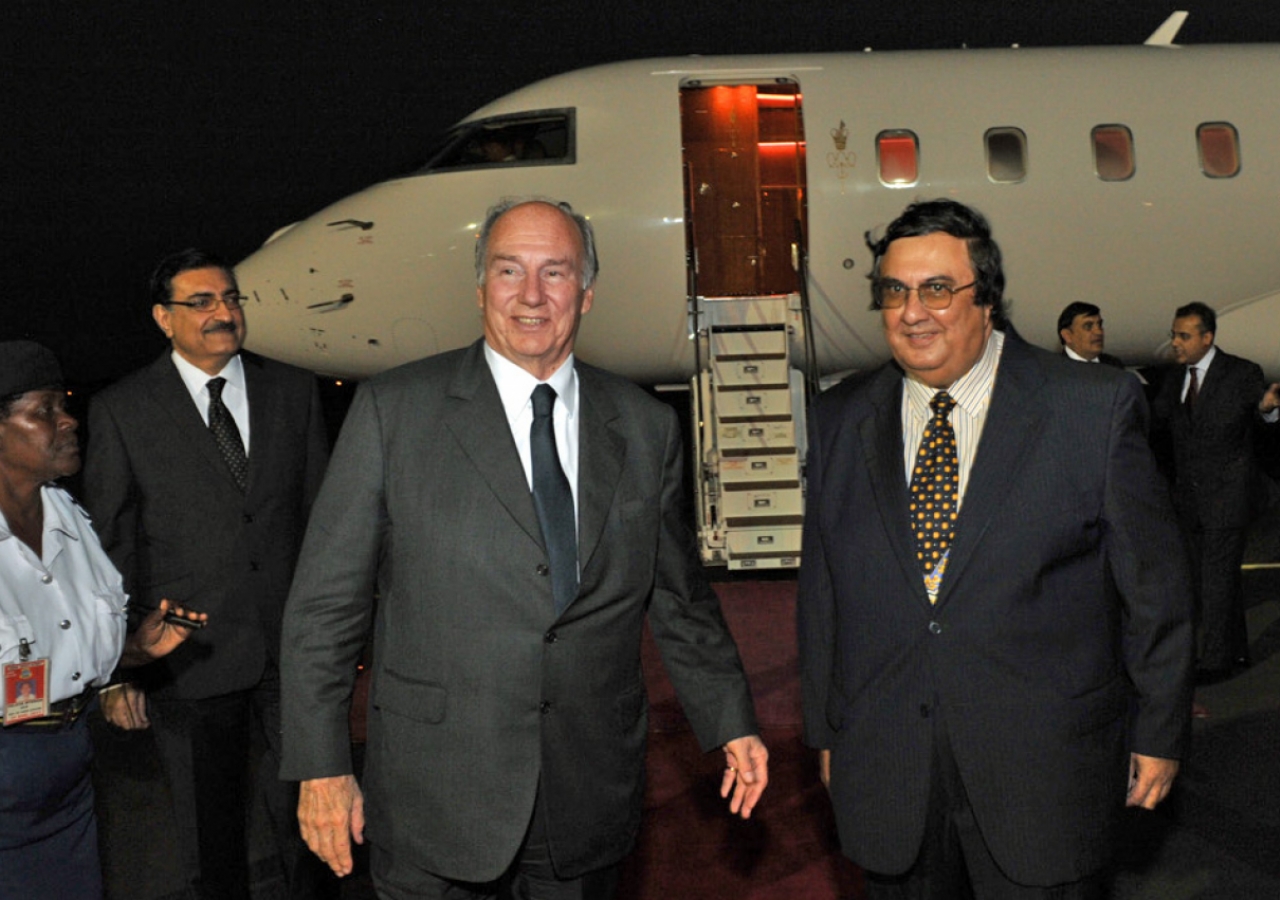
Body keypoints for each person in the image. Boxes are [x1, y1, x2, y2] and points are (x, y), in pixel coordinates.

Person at [280, 197, 769, 899]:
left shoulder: (643, 427)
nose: (532, 296)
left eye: (556, 273)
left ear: (588, 293)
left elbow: (679, 599)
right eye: (510, 271)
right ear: (481, 289)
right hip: (437, 798)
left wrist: (730, 721)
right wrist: (321, 767)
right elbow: (324, 609)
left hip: (587, 791)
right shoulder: (395, 412)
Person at [797, 199, 1194, 898]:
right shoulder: (841, 418)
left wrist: (1158, 731)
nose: (912, 312)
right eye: (894, 292)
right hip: (890, 769)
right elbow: (824, 590)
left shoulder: (1090, 408)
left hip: (1044, 770)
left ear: (987, 299)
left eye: (937, 290)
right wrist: (829, 732)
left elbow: (1153, 590)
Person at [81, 250, 332, 899]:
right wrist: (121, 665)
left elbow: (323, 522)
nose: (223, 313)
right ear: (164, 318)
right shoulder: (123, 409)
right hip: (189, 657)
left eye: (230, 299)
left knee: (316, 827)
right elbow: (113, 544)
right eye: (202, 303)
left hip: (292, 654)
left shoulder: (294, 391)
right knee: (212, 839)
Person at [0, 340, 206, 899]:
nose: (67, 419)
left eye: (62, 403)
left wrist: (132, 653)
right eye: (42, 411)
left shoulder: (69, 518)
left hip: (68, 777)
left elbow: (69, 651)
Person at [1151, 302, 1280, 684]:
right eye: (1174, 334)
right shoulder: (1175, 380)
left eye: (1184, 336)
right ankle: (1236, 651)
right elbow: (1157, 420)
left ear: (1207, 338)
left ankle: (1215, 662)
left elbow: (1263, 412)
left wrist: (1269, 409)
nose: (1176, 342)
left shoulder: (1240, 373)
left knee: (1216, 581)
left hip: (1228, 498)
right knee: (1212, 581)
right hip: (1189, 501)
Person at [1057, 301, 1124, 366]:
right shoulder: (1053, 370)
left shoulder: (1114, 365)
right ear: (1067, 335)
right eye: (1088, 326)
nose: (1099, 332)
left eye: (1099, 325)